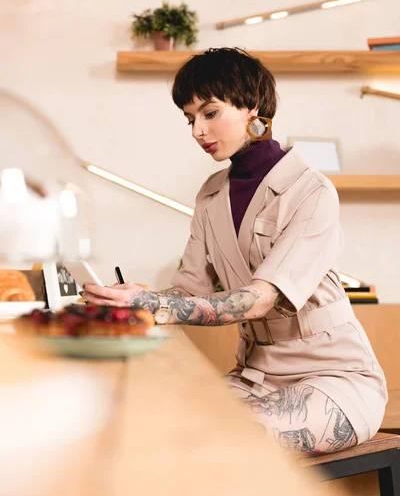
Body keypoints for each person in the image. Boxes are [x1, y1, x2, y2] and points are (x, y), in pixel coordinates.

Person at [83, 47, 387, 453]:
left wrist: (156, 304)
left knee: (214, 442)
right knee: (140, 427)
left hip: (335, 379)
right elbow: (188, 292)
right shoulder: (210, 196)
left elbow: (260, 300)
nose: (197, 131)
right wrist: (132, 301)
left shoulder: (312, 191)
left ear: (252, 107)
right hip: (253, 377)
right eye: (190, 118)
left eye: (209, 113)